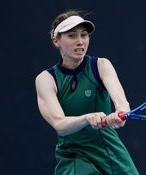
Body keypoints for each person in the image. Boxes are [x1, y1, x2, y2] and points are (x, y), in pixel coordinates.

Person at [35, 9, 139, 175]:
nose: (80, 41)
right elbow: (59, 124)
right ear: (56, 40)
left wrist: (121, 113)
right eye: (72, 36)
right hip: (74, 156)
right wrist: (87, 118)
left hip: (111, 151)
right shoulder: (46, 80)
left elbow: (121, 102)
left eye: (84, 35)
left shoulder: (102, 65)